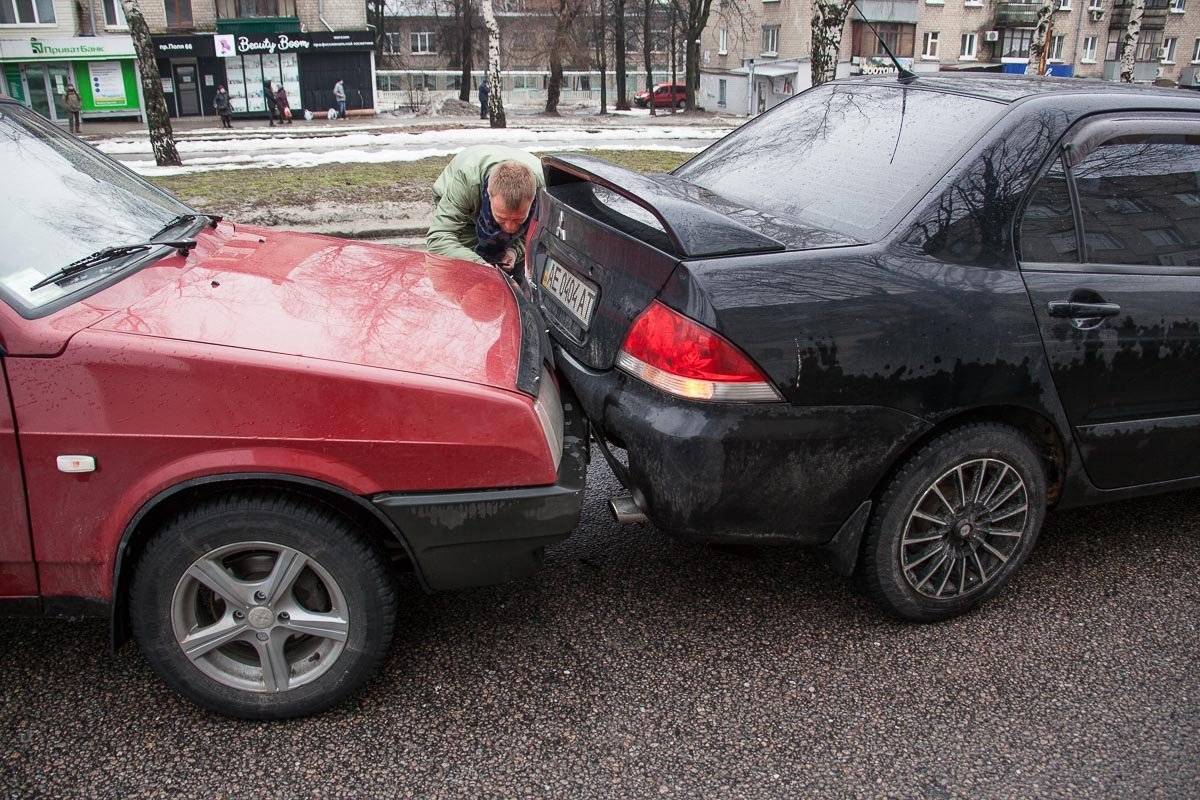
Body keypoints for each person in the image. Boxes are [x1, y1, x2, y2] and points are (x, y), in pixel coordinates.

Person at [426, 145, 545, 274]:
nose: (510, 228)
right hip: (467, 213)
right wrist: (480, 265)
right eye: (501, 218)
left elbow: (536, 232)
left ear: (533, 198)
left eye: (519, 219)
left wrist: (515, 250)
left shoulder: (544, 189)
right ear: (489, 193)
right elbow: (439, 238)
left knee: (514, 270)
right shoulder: (467, 181)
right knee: (464, 269)